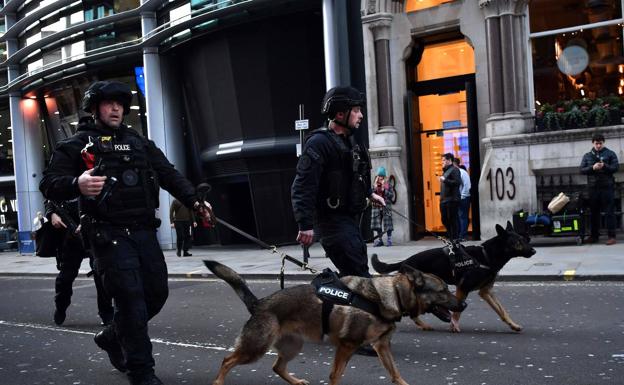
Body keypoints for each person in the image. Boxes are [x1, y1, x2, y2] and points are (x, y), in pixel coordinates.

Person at [39, 80, 214, 385]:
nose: (116, 108)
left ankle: (111, 335)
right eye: (109, 103)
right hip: (108, 235)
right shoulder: (79, 144)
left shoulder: (138, 142)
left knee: (156, 294)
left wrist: (194, 201)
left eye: (120, 103)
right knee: (131, 300)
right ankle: (141, 372)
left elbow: (168, 173)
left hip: (144, 232)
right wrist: (76, 183)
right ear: (94, 108)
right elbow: (49, 182)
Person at [291, 86, 385, 278]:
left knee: (354, 274)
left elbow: (354, 177)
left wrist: (370, 193)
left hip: (349, 219)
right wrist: (305, 224)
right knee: (359, 277)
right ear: (340, 114)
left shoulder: (350, 141)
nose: (361, 115)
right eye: (356, 110)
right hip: (331, 222)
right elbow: (302, 186)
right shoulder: (319, 143)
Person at [45, 198, 113, 326]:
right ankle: (61, 306)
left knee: (102, 275)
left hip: (93, 236)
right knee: (65, 278)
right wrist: (52, 214)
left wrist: (87, 222)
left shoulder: (92, 180)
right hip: (70, 238)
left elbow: (103, 202)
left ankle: (107, 313)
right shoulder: (64, 182)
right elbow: (50, 200)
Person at [580, 133, 619, 245]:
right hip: (593, 188)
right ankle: (594, 236)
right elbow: (581, 170)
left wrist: (604, 166)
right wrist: (592, 167)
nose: (598, 145)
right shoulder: (587, 155)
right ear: (593, 143)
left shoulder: (610, 154)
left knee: (609, 212)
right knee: (594, 213)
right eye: (596, 143)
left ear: (603, 143)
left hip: (607, 187)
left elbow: (615, 168)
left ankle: (611, 237)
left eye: (600, 143)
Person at [439, 153, 461, 241]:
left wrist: (445, 180)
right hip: (444, 200)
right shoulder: (445, 171)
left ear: (449, 160)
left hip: (452, 199)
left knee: (452, 219)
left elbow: (457, 182)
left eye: (444, 160)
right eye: (442, 160)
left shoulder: (454, 170)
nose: (442, 162)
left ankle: (454, 237)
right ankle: (450, 234)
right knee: (444, 219)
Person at [371, 166, 395, 247]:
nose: (380, 178)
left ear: (384, 176)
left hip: (386, 206)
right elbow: (371, 195)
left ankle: (389, 239)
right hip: (376, 207)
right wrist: (375, 189)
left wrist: (384, 190)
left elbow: (392, 195)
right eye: (379, 176)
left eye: (381, 176)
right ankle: (380, 240)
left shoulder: (388, 185)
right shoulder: (374, 184)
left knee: (388, 224)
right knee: (377, 225)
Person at [453, 158, 471, 241]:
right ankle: (459, 235)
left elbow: (467, 185)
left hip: (463, 198)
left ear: (454, 163)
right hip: (456, 198)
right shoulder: (454, 173)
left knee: (462, 216)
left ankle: (463, 236)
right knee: (458, 217)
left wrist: (462, 196)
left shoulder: (462, 172)